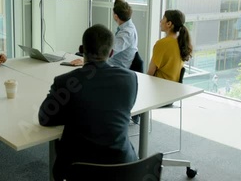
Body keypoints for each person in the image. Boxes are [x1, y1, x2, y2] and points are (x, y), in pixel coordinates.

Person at [38, 24, 138, 181]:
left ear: (82, 49)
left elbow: (44, 118)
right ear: (111, 52)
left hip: (79, 170)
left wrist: (68, 108)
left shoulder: (66, 82)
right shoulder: (130, 79)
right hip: (123, 166)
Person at [147, 10, 193, 83]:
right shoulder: (181, 42)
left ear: (169, 24)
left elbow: (150, 72)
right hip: (173, 88)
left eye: (163, 18)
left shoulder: (161, 44)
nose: (160, 21)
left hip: (159, 87)